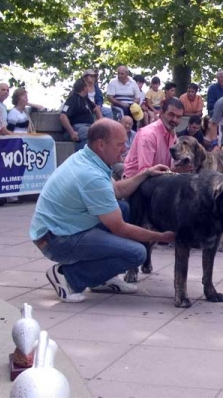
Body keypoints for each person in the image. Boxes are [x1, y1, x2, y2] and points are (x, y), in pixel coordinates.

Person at [29, 118, 175, 303]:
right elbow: (120, 228)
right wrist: (163, 237)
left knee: (122, 208)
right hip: (54, 239)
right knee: (136, 253)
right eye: (120, 144)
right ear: (101, 144)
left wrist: (146, 173)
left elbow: (119, 190)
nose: (124, 149)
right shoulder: (91, 175)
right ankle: (67, 276)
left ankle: (101, 278)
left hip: (60, 228)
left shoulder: (88, 157)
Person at [123, 98, 185, 178]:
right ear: (162, 113)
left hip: (159, 181)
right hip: (136, 184)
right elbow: (145, 174)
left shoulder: (172, 133)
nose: (175, 120)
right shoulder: (148, 134)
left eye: (179, 117)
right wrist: (173, 171)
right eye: (171, 115)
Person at [60, 79, 103, 151]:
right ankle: (81, 158)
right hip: (76, 128)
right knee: (91, 133)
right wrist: (72, 132)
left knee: (104, 133)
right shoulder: (72, 100)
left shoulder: (86, 100)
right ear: (84, 88)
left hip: (89, 126)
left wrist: (102, 123)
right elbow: (63, 116)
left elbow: (96, 109)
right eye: (87, 86)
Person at [112, 116, 137, 180]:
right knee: (126, 168)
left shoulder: (134, 134)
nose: (127, 126)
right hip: (118, 162)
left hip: (132, 160)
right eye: (126, 123)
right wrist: (129, 162)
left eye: (130, 124)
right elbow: (117, 157)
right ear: (120, 122)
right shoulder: (114, 134)